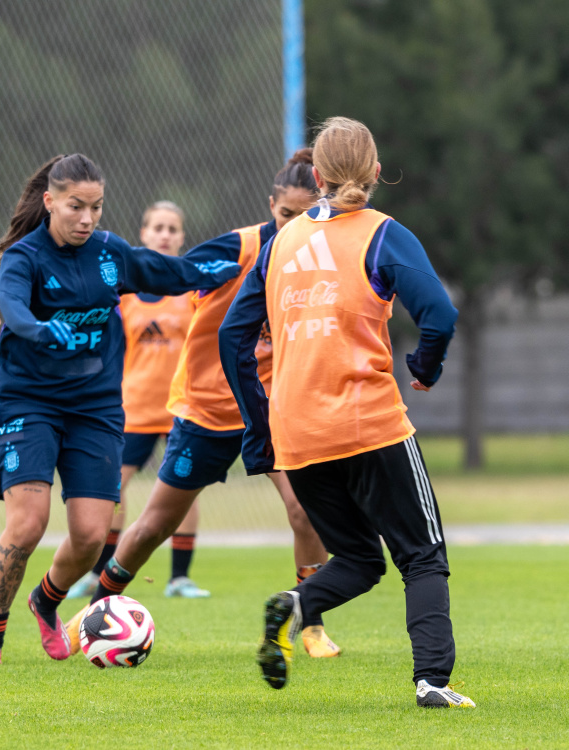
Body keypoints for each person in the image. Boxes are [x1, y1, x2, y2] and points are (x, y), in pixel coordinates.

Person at [219, 117, 474, 708]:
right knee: (421, 555)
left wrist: (261, 429)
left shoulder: (280, 242)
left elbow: (235, 336)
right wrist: (425, 369)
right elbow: (439, 314)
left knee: (359, 558)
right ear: (377, 172)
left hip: (297, 433)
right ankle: (433, 682)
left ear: (316, 176)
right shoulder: (383, 234)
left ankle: (294, 605)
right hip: (368, 422)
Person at [66, 150, 340, 660]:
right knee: (155, 523)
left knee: (304, 511)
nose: (292, 229)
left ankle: (311, 625)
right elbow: (174, 274)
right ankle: (100, 606)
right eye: (285, 217)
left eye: (305, 218)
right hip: (208, 409)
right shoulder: (238, 249)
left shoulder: (318, 257)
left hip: (274, 408)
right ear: (271, 206)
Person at [0, 154, 239, 665]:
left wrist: (230, 266)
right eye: (76, 206)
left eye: (95, 207)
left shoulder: (110, 253)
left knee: (92, 535)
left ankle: (45, 601)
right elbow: (12, 306)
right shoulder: (25, 258)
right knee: (27, 524)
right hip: (29, 399)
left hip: (94, 406)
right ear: (50, 202)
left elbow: (169, 271)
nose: (87, 218)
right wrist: (41, 329)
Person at [67, 200, 209, 601]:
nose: (164, 234)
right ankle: (98, 572)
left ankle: (180, 577)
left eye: (172, 228)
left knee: (185, 489)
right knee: (113, 489)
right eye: (157, 227)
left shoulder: (192, 290)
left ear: (182, 237)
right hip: (134, 410)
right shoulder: (124, 294)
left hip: (183, 408)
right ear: (144, 234)